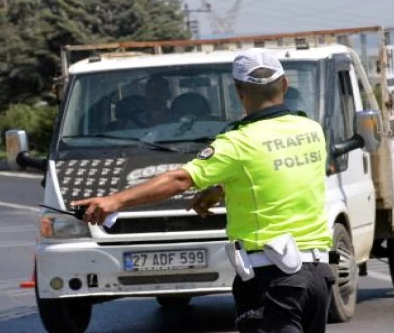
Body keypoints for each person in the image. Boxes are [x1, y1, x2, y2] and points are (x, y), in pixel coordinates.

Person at [72, 49, 335, 333]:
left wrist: (114, 201)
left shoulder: (237, 143)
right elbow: (279, 173)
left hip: (272, 279)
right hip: (317, 277)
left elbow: (180, 179)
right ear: (284, 84)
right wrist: (223, 187)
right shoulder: (311, 130)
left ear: (239, 91)